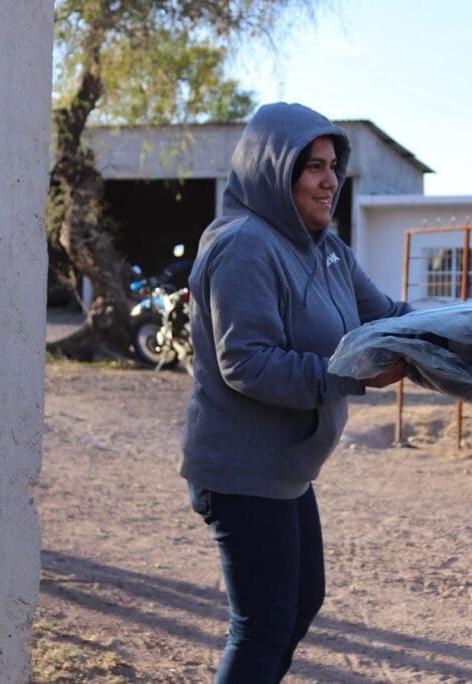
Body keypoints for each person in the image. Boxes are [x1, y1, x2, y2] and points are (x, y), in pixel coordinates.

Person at [181, 102, 411, 683]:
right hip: (240, 469)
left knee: (300, 603)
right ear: (274, 170)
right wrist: (354, 375)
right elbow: (247, 363)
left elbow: (386, 317)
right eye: (313, 167)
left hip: (285, 470)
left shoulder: (328, 250)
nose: (330, 180)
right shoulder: (243, 245)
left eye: (333, 166)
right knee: (263, 626)